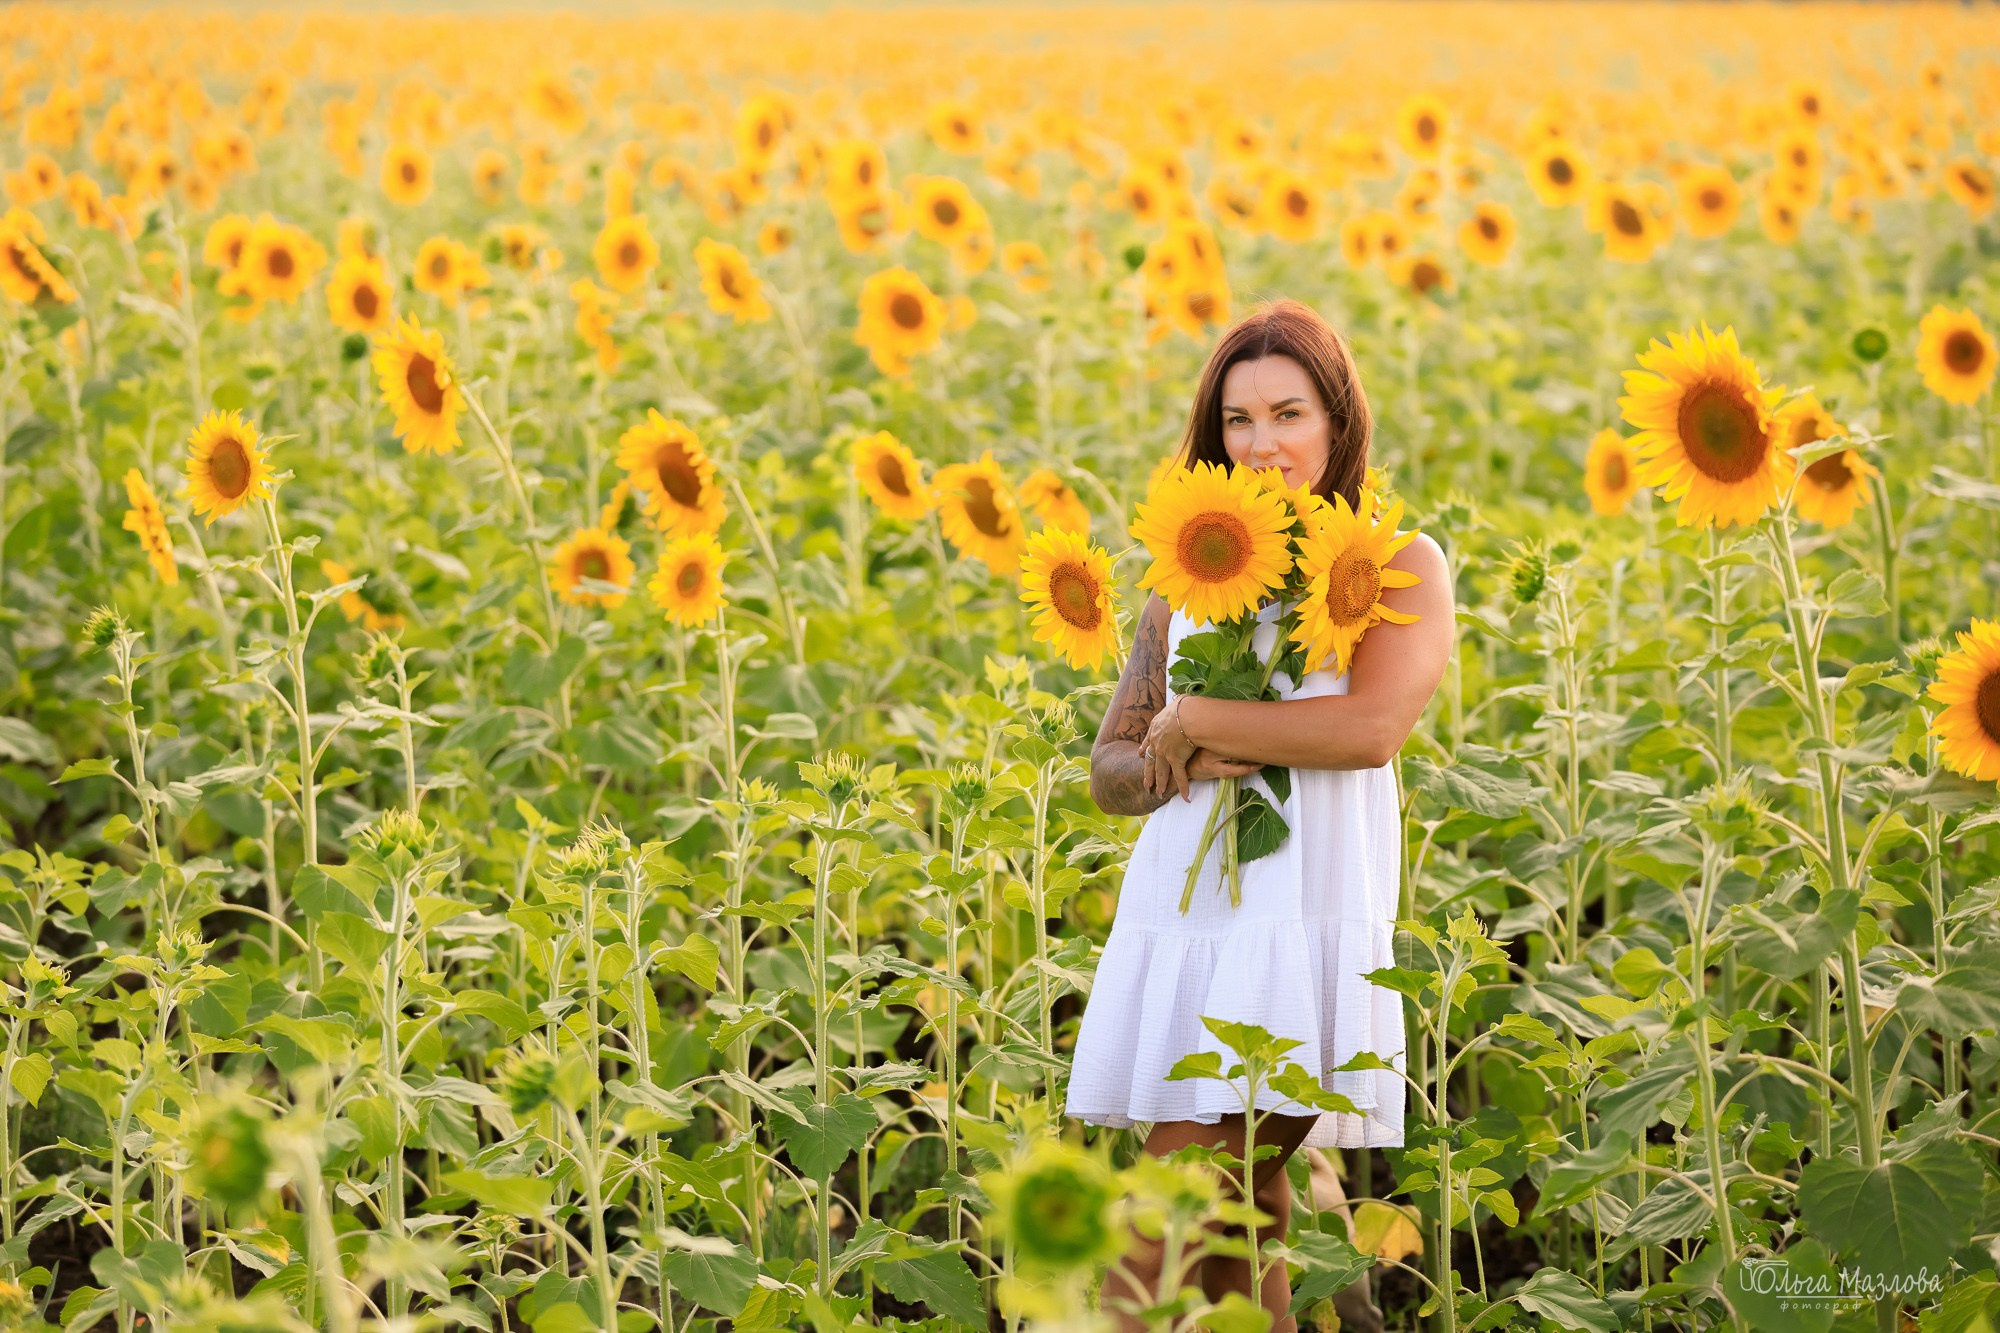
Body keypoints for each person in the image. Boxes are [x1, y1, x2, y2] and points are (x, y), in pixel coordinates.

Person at [1067, 298, 1454, 1331]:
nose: (1261, 443)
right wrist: (1161, 752)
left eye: (1287, 413)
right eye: (1236, 421)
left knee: (1151, 1236)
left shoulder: (1394, 564)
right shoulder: (1180, 577)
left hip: (1297, 932)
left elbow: (1371, 729)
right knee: (1244, 1223)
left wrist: (1202, 721)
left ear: (1336, 421)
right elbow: (1110, 761)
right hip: (1189, 929)